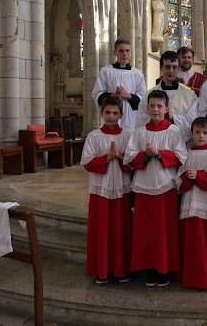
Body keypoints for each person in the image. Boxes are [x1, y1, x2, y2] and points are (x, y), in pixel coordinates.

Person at [124, 90, 187, 286]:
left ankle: (164, 268)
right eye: (152, 106)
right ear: (147, 108)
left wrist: (159, 154)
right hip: (144, 187)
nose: (156, 110)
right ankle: (149, 268)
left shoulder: (174, 131)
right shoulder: (140, 132)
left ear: (167, 109)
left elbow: (181, 158)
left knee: (164, 230)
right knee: (146, 230)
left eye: (160, 106)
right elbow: (128, 157)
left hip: (166, 186)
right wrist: (145, 155)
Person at [81, 97, 132, 285]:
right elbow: (86, 162)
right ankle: (101, 270)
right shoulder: (94, 136)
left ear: (121, 115)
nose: (111, 116)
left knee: (121, 229)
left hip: (121, 190)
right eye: (107, 112)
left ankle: (120, 270)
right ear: (101, 113)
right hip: (100, 191)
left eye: (115, 113)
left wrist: (121, 156)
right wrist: (107, 158)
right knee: (101, 230)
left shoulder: (127, 137)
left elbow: (133, 164)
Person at [176, 117, 207, 289]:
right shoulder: (186, 153)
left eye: (205, 133)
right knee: (192, 242)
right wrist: (186, 177)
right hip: (190, 203)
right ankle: (191, 278)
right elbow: (177, 179)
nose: (201, 136)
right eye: (197, 132)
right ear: (191, 133)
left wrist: (199, 175)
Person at [137, 51, 198, 141]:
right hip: (155, 140)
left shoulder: (190, 94)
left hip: (181, 142)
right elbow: (141, 119)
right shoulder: (149, 95)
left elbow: (193, 121)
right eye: (167, 67)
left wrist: (173, 118)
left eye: (174, 67)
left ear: (179, 69)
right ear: (161, 67)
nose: (170, 71)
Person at [92, 39, 147, 133]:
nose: (124, 54)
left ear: (131, 53)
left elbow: (143, 98)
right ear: (115, 52)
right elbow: (97, 94)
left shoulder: (137, 74)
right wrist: (112, 95)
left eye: (127, 51)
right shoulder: (106, 71)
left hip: (130, 118)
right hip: (111, 116)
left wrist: (129, 96)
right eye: (121, 51)